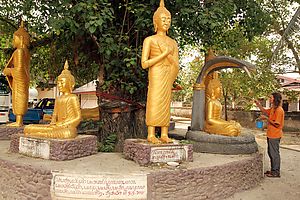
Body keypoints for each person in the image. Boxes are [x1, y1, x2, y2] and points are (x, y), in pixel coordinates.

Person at [141, 0, 179, 144]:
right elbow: (144, 64)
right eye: (163, 19)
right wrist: (163, 55)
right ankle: (151, 133)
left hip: (168, 73)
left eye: (169, 19)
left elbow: (176, 64)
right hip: (156, 73)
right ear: (156, 21)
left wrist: (169, 57)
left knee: (166, 102)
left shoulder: (172, 42)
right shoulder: (149, 40)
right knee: (154, 100)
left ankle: (164, 133)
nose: (166, 22)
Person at [24, 60, 81, 139]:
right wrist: (53, 122)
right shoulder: (58, 99)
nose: (59, 85)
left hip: (67, 127)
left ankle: (40, 134)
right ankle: (40, 133)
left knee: (67, 133)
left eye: (62, 82)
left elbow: (78, 117)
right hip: (56, 126)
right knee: (28, 127)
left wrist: (63, 124)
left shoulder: (73, 97)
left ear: (70, 83)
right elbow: (54, 115)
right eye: (58, 83)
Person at [3, 21, 30, 127]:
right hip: (23, 79)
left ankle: (19, 120)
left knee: (19, 97)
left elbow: (19, 69)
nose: (13, 41)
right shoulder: (26, 52)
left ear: (21, 39)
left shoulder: (19, 52)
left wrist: (8, 71)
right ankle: (19, 120)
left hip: (20, 79)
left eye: (15, 39)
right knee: (20, 97)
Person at [255, 92, 284, 178]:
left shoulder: (279, 110)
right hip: (271, 134)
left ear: (275, 99)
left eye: (271, 98)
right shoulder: (273, 109)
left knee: (274, 153)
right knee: (271, 152)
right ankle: (273, 170)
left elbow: (277, 124)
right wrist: (258, 104)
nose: (270, 99)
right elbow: (264, 111)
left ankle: (276, 172)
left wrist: (266, 118)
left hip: (275, 135)